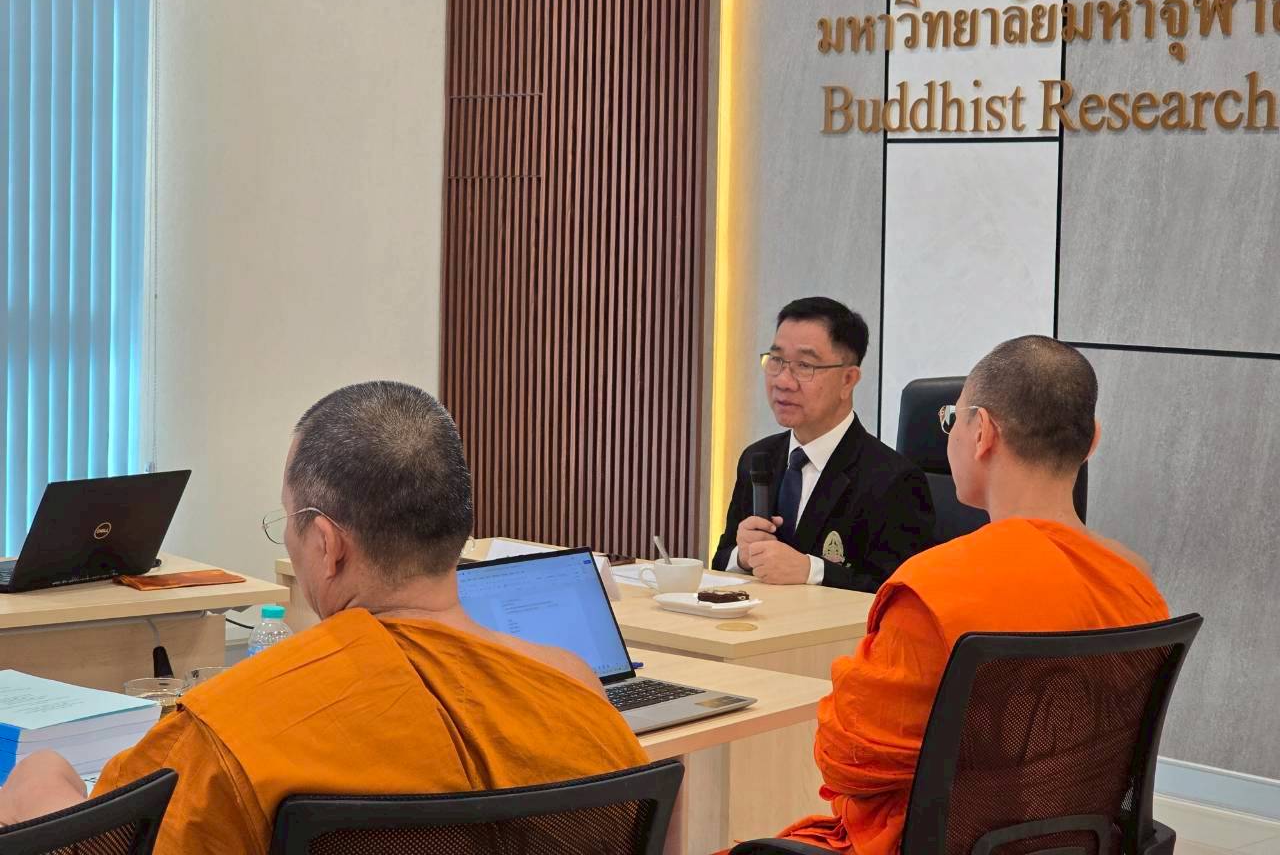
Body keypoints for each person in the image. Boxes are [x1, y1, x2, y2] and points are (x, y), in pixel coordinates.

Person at [0, 382, 647, 851]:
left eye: (290, 519)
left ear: (328, 545)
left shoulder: (228, 726)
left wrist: (40, 790)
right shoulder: (578, 694)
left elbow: (117, 839)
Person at [754, 335, 1170, 854]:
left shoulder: (933, 585)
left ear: (982, 433)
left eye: (952, 420)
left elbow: (845, 759)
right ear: (1093, 441)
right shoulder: (1136, 583)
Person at [711, 297, 937, 591]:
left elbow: (901, 592)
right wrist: (742, 556)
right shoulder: (759, 458)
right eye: (776, 360)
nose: (783, 381)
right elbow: (720, 560)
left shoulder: (893, 480)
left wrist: (813, 571)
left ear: (848, 380)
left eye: (804, 366)